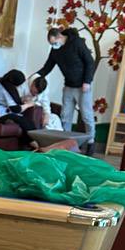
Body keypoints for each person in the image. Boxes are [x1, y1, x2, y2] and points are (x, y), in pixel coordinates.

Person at [35, 26, 95, 154]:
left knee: (87, 115)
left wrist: (87, 81)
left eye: (54, 43)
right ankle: (66, 143)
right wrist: (35, 76)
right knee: (65, 116)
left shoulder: (77, 43)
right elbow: (48, 66)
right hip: (68, 86)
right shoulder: (56, 50)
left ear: (60, 37)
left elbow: (90, 62)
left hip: (83, 86)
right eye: (51, 44)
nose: (54, 46)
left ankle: (90, 142)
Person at [0, 70, 39, 149]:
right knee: (22, 121)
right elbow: (16, 109)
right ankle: (35, 144)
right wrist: (28, 105)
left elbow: (14, 101)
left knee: (29, 121)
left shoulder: (8, 85)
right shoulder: (5, 88)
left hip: (6, 110)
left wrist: (23, 100)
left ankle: (35, 142)